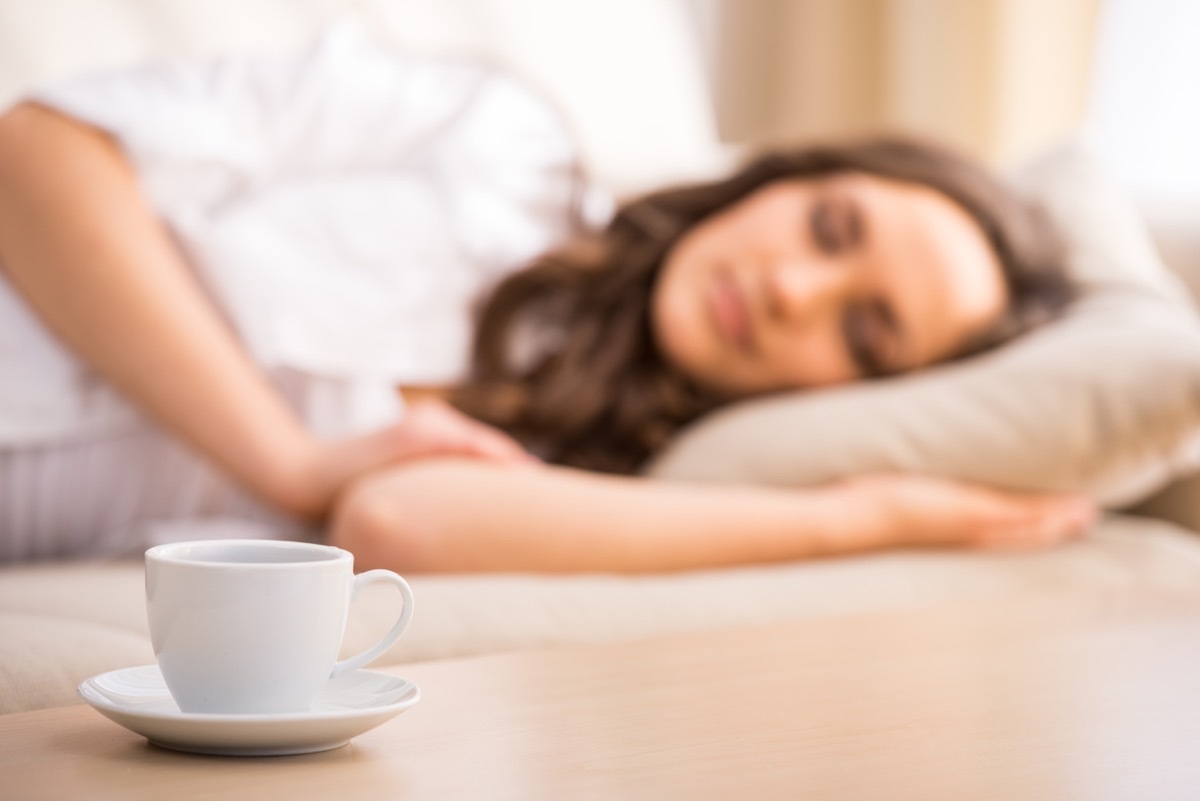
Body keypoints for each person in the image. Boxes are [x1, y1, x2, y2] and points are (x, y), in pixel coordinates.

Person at [0, 29, 1095, 569]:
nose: (790, 291)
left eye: (863, 333)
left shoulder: (621, 473)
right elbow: (39, 152)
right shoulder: (490, 137)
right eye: (829, 226)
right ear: (783, 177)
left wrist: (865, 517)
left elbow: (395, 519)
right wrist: (287, 461)